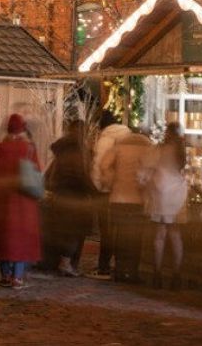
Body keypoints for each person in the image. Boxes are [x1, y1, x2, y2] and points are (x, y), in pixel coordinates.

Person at [0, 113, 41, 289]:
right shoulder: (29, 148)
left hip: (3, 200)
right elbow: (37, 171)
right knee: (21, 238)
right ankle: (17, 277)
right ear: (23, 129)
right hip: (24, 202)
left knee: (4, 237)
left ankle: (5, 275)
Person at [100, 126, 152, 284]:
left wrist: (111, 181)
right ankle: (133, 271)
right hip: (137, 200)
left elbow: (104, 165)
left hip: (118, 197)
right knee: (135, 238)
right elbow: (151, 172)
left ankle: (120, 269)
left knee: (120, 235)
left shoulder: (119, 147)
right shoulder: (148, 149)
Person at [142, 122, 188, 289]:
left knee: (159, 235)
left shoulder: (159, 149)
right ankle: (176, 275)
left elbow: (147, 168)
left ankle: (157, 274)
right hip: (177, 194)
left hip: (160, 193)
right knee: (175, 235)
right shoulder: (180, 150)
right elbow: (182, 168)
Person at [45, 119, 91, 276]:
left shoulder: (61, 148)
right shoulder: (77, 149)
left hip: (59, 193)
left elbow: (52, 172)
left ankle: (59, 262)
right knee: (73, 230)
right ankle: (66, 263)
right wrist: (92, 191)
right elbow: (80, 174)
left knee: (62, 230)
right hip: (74, 195)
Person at [88, 110, 130, 279]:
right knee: (121, 231)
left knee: (107, 231)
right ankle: (120, 266)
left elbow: (99, 165)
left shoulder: (105, 139)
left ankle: (103, 267)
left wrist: (96, 187)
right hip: (126, 192)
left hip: (106, 191)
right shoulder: (128, 136)